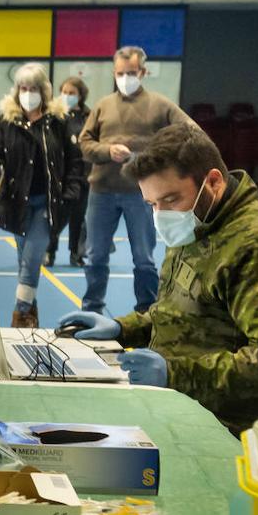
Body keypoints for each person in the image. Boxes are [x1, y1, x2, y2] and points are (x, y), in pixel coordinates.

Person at [59, 124, 258, 434]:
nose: (161, 215)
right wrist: (124, 329)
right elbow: (185, 314)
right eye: (152, 204)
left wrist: (175, 374)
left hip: (238, 432)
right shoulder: (196, 223)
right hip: (185, 410)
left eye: (170, 199)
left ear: (213, 182)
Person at [79, 45, 196, 315]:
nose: (125, 78)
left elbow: (191, 132)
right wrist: (107, 151)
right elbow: (84, 144)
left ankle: (147, 313)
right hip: (101, 191)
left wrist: (154, 157)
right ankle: (91, 311)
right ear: (114, 72)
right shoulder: (102, 106)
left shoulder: (160, 105)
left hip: (142, 195)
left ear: (143, 72)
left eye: (131, 73)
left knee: (144, 259)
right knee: (95, 256)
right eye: (120, 73)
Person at [0, 63, 80, 329]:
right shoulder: (7, 122)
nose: (28, 93)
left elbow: (74, 160)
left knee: (33, 257)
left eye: (33, 88)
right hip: (16, 203)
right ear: (17, 90)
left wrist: (70, 193)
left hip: (48, 203)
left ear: (43, 91)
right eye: (23, 88)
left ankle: (20, 314)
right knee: (25, 262)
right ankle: (31, 314)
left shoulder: (58, 122)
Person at [47, 76, 90, 268]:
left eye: (71, 93)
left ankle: (76, 254)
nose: (67, 96)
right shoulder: (55, 115)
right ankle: (49, 252)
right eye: (64, 92)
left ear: (80, 95)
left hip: (84, 175)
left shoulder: (89, 116)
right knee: (57, 217)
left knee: (79, 219)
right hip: (61, 175)